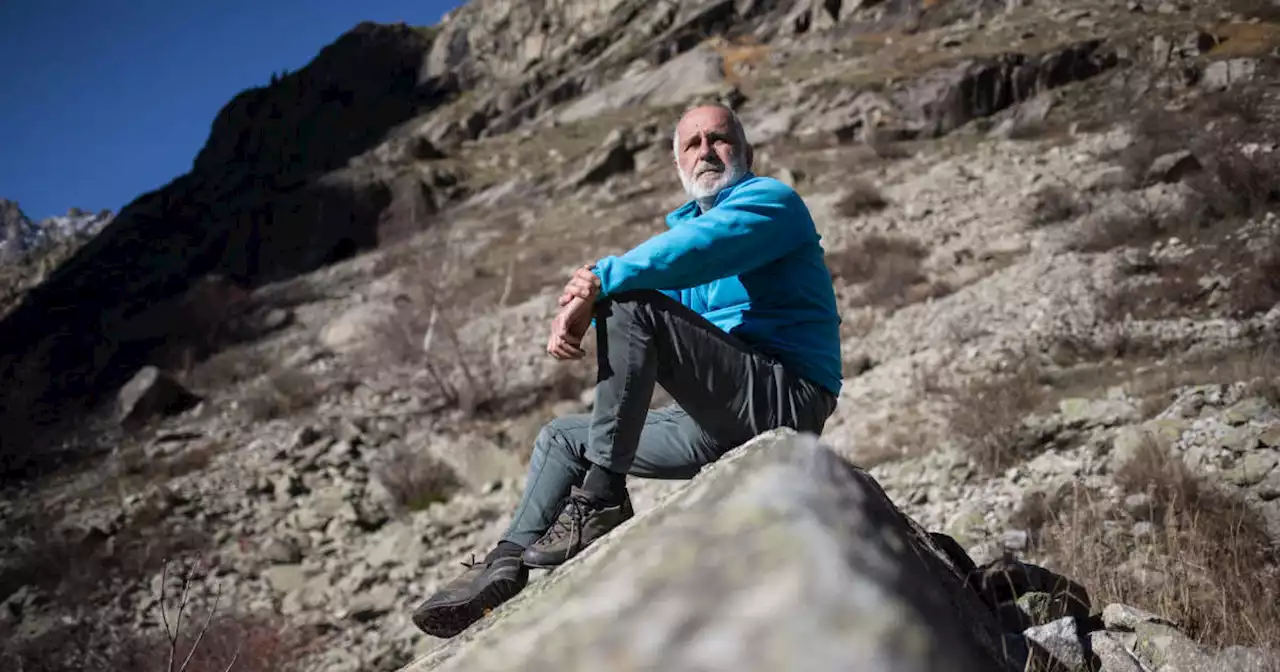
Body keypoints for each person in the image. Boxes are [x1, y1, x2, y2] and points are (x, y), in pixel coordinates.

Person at [412, 102, 843, 638]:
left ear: (746, 151)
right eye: (692, 144)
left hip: (786, 395)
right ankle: (504, 564)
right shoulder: (684, 234)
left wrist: (599, 282)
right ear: (678, 163)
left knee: (627, 297)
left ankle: (601, 498)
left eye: (719, 139)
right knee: (562, 438)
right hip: (721, 419)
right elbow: (652, 293)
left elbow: (699, 252)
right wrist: (587, 291)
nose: (706, 151)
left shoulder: (770, 203)